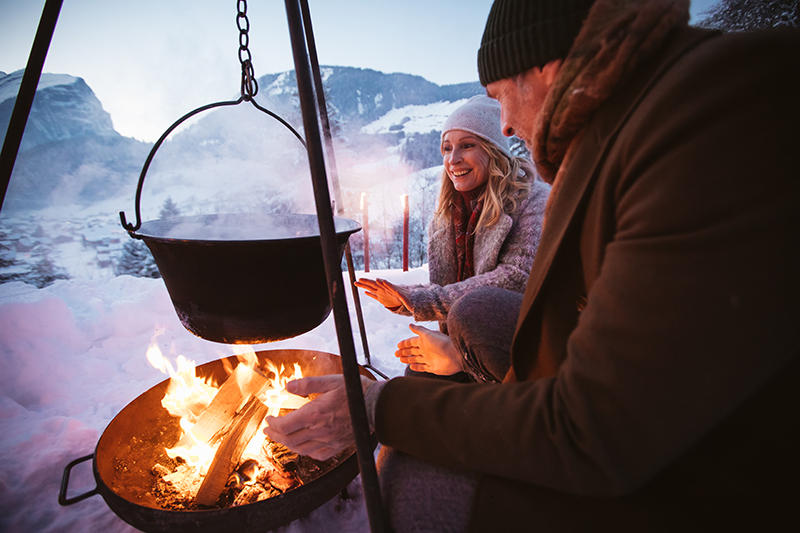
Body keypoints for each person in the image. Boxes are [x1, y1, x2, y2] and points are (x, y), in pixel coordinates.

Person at [265, 0, 800, 530]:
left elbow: (592, 422)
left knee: (413, 481)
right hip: (647, 414)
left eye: (501, 97)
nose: (508, 124)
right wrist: (453, 360)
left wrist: (390, 407)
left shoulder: (706, 124)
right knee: (455, 343)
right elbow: (569, 324)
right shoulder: (617, 135)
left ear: (545, 65)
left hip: (708, 478)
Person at [355, 95, 550, 382]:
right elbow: (450, 288)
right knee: (416, 378)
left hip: (527, 343)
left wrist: (422, 299)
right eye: (446, 148)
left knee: (470, 313)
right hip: (468, 338)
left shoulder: (534, 199)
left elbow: (514, 278)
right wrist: (404, 298)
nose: (453, 159)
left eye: (467, 145)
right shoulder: (450, 213)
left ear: (494, 150)